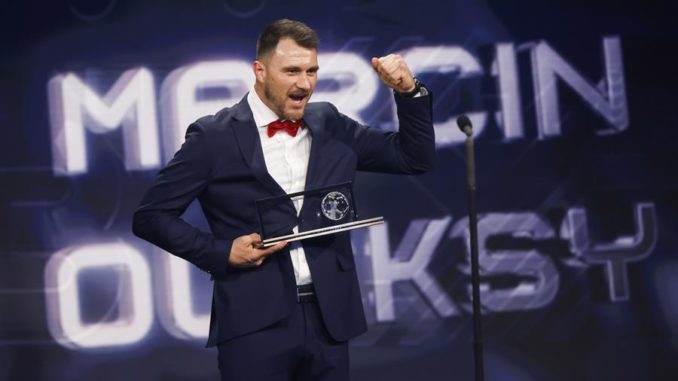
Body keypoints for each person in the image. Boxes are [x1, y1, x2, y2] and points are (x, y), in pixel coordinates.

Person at [132, 18, 435, 381]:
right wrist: (221, 252)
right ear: (259, 71)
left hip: (329, 320)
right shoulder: (213, 138)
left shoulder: (330, 123)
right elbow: (151, 216)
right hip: (254, 324)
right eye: (292, 71)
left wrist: (408, 92)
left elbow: (412, 159)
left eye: (311, 71)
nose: (304, 83)